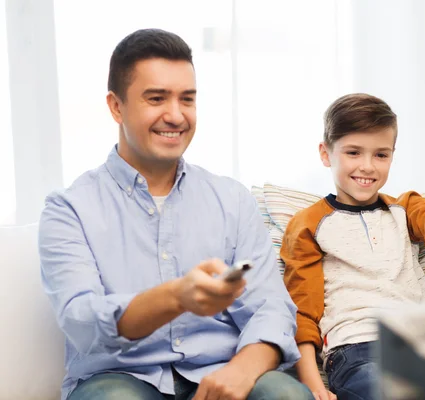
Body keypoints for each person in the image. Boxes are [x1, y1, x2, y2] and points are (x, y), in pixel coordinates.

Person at [38, 28, 313, 400]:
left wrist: (242, 370)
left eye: (187, 99)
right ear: (116, 106)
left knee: (285, 395)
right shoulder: (69, 209)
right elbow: (82, 320)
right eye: (156, 98)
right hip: (120, 377)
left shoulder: (231, 199)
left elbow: (272, 309)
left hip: (222, 368)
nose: (176, 115)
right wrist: (176, 296)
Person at [281, 93, 425, 400]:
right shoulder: (308, 224)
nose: (368, 167)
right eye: (354, 153)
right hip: (358, 350)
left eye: (381, 155)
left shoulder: (403, 208)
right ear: (326, 153)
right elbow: (302, 314)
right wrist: (315, 387)